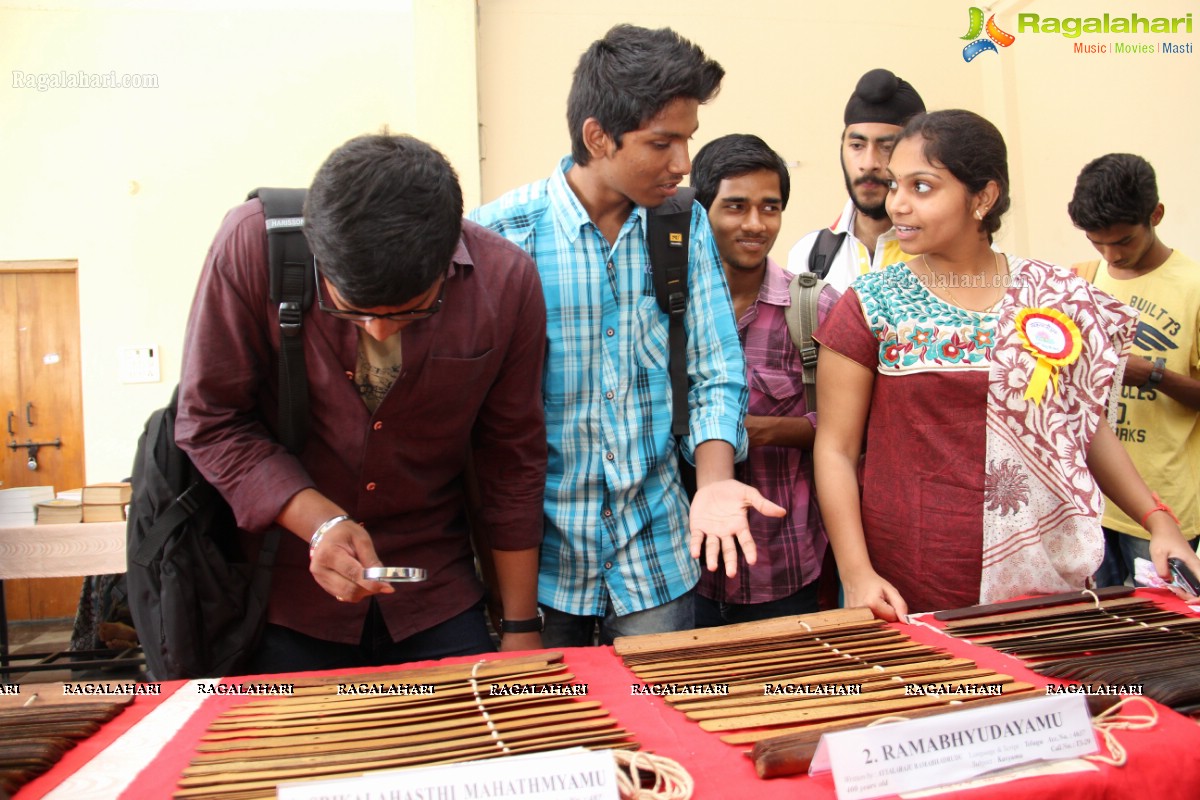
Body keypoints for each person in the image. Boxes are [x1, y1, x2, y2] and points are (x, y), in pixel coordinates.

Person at [175, 133, 548, 673]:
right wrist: (321, 525)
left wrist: (519, 627)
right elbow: (210, 419)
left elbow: (511, 456)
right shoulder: (253, 245)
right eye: (350, 310)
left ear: (448, 256)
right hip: (284, 597)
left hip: (435, 591)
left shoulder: (506, 281)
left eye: (409, 313)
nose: (377, 330)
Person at [812, 109, 1200, 620]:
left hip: (1044, 578)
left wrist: (1158, 520)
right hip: (911, 578)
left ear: (983, 197)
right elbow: (836, 449)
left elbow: (1084, 425)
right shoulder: (870, 304)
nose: (898, 204)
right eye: (894, 185)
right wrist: (857, 575)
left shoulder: (1055, 295)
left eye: (922, 187)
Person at [470, 25, 784, 646]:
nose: (683, 164)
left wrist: (716, 484)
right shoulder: (500, 236)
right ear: (597, 137)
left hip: (658, 561)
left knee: (665, 730)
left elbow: (717, 368)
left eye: (687, 141)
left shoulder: (681, 224)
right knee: (556, 735)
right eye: (662, 142)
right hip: (540, 569)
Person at [689, 134, 840, 624]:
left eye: (769, 208)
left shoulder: (815, 307)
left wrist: (746, 431)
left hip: (785, 567)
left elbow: (853, 433)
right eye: (735, 207)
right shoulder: (668, 310)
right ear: (700, 211)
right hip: (682, 572)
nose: (755, 224)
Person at [1067, 153, 1200, 587]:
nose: (1111, 254)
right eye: (1097, 242)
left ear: (1155, 215)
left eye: (1123, 241)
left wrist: (1153, 376)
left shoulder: (1192, 286)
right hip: (1094, 505)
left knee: (1166, 643)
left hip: (1167, 507)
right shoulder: (1084, 280)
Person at [786, 68, 925, 292]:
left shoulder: (951, 255)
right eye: (857, 146)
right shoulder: (809, 255)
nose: (869, 163)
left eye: (887, 147)